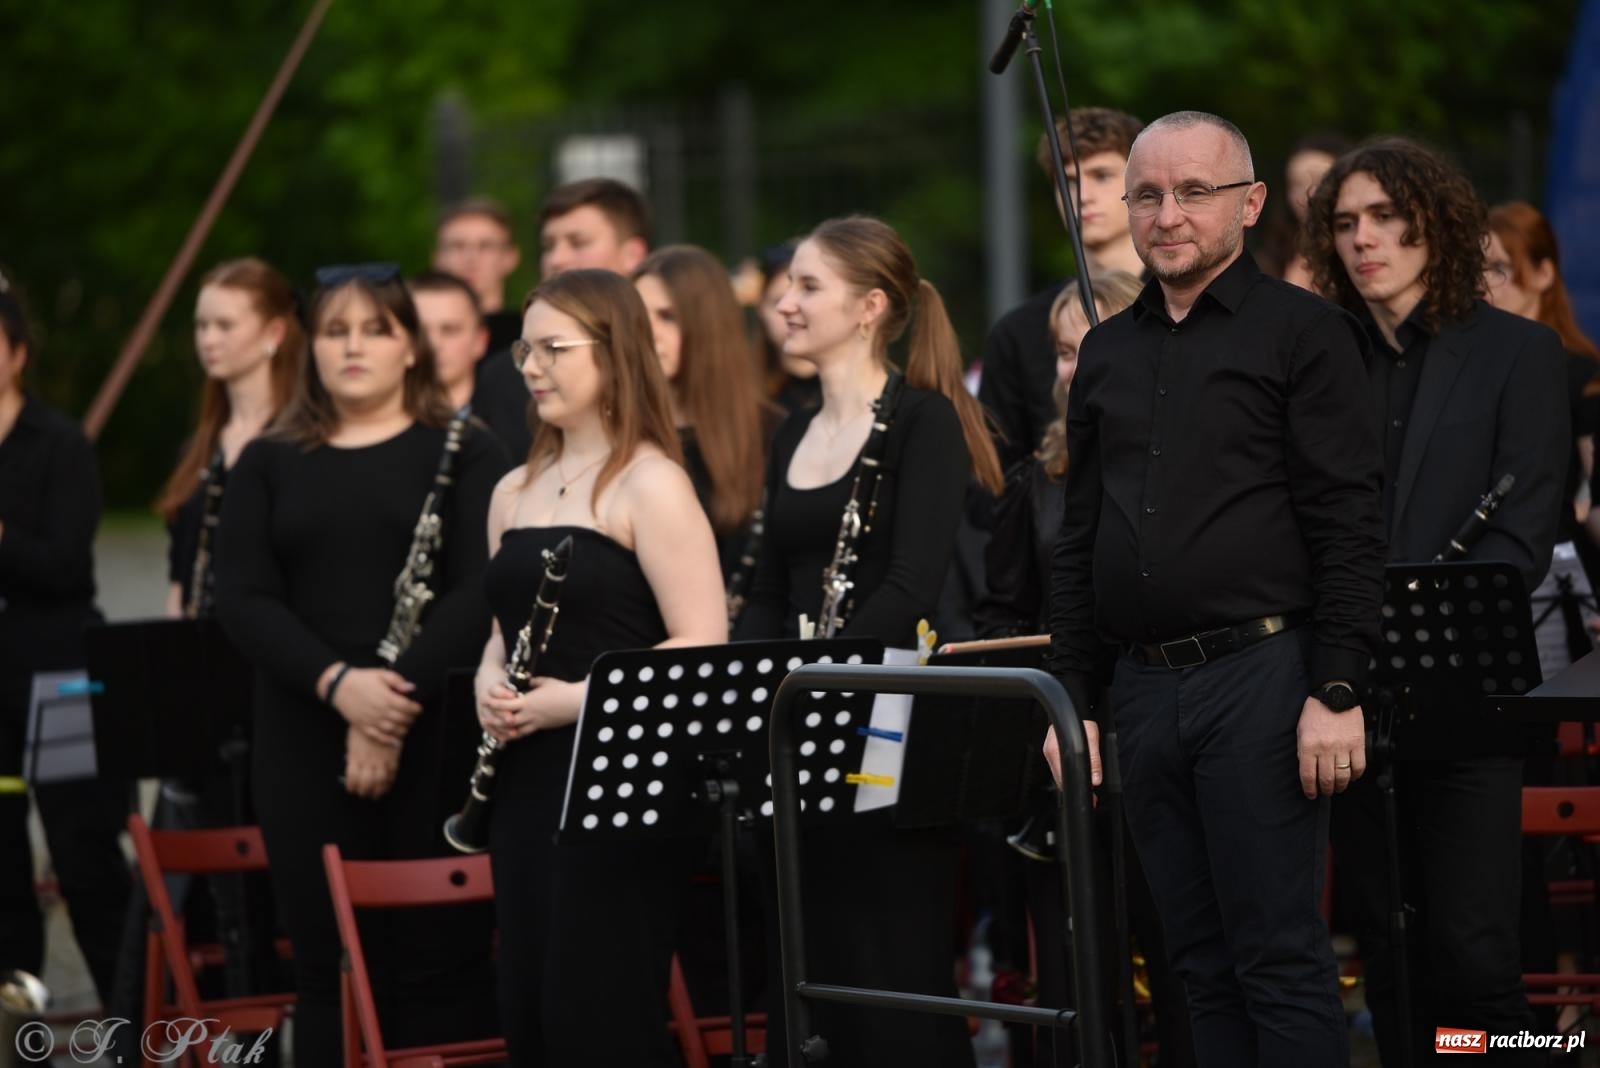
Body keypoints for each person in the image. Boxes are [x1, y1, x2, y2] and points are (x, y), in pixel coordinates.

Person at [1042, 111, 1388, 1068]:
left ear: (1251, 202)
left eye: (1195, 191)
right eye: (1148, 194)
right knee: (1194, 964)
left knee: (1277, 955)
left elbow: (1349, 522)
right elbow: (1080, 542)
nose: (1168, 215)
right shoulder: (1106, 353)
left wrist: (1338, 686)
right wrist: (1074, 702)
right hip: (1142, 689)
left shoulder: (1307, 335)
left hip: (1265, 679)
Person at [1303, 138, 1569, 1067]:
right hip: (1348, 705)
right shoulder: (1323, 358)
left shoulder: (1519, 352)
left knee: (1477, 956)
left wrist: (1395, 610)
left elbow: (1522, 536)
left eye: (1385, 216)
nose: (1363, 239)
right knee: (1387, 950)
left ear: (1436, 222)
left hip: (1464, 703)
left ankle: (1513, 1059)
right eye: (1345, 223)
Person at [215, 263, 508, 1067]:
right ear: (309, 347)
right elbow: (241, 598)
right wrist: (342, 687)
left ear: (411, 347)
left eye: (376, 330)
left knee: (442, 965)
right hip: (303, 734)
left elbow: (481, 590)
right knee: (327, 968)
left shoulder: (467, 450)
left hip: (434, 734)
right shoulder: (267, 461)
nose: (353, 347)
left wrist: (386, 708)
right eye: (335, 331)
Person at [734, 215, 1003, 1067]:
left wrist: (813, 680)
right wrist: (755, 688)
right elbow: (768, 589)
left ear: (870, 307)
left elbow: (910, 587)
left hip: (884, 725)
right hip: (794, 722)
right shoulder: (791, 430)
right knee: (808, 960)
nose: (786, 302)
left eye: (808, 286)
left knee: (888, 959)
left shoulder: (923, 421)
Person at [475, 268, 725, 1066]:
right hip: (523, 777)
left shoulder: (652, 483)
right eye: (525, 350)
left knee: (597, 1011)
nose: (532, 366)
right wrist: (486, 679)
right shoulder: (511, 490)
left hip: (619, 776)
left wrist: (575, 702)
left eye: (554, 348)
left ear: (614, 353)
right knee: (530, 1005)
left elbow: (703, 642)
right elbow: (500, 629)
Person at [0, 270, 132, 1008]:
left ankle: (133, 1025)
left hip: (59, 675)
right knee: (2, 875)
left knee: (85, 861)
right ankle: (20, 1036)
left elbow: (66, 567)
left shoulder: (60, 444)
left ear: (18, 353)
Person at [981, 107, 1146, 470]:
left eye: (1101, 176)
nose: (1082, 195)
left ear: (1141, 184)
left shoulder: (1187, 307)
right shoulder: (1019, 333)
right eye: (1069, 181)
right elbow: (996, 475)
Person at [472, 179, 652, 461]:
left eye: (578, 243)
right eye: (548, 245)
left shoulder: (663, 357)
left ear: (633, 254)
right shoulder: (503, 377)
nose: (557, 259)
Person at [631, 244, 769, 577]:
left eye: (667, 317)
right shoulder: (615, 430)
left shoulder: (770, 432)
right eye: (637, 318)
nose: (648, 333)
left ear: (708, 325)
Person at [1485, 202, 1600, 574]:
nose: (1483, 285)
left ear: (1543, 274)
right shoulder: (1467, 371)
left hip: (1556, 566)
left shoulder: (1584, 375)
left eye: (1498, 269)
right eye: (1474, 269)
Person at [1258, 132, 1350, 290]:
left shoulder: (1360, 250)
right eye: (1296, 183)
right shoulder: (1272, 258)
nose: (1307, 193)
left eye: (1319, 180)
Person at [433, 197, 523, 353]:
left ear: (511, 257)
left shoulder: (528, 336)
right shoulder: (415, 339)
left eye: (485, 246)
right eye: (458, 246)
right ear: (438, 258)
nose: (470, 258)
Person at [410, 269, 491, 414]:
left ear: (480, 341)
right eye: (420, 331)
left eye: (449, 330)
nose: (433, 344)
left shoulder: (513, 421)